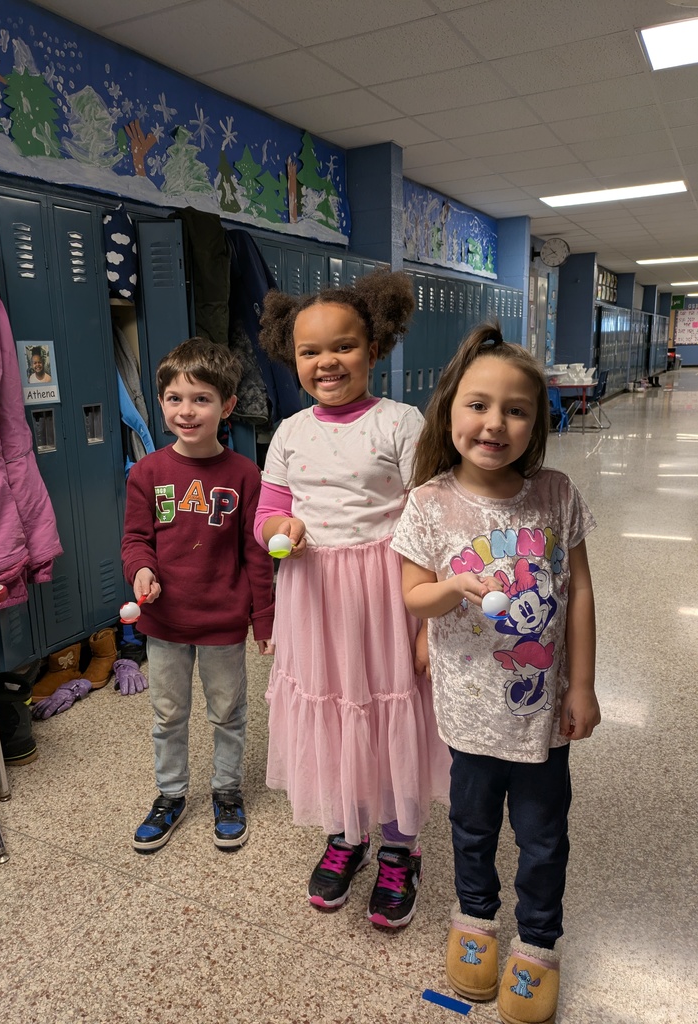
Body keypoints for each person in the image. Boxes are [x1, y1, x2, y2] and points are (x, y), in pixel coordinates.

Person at [391, 323, 600, 1024]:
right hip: (469, 708)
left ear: (534, 422)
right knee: (472, 828)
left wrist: (582, 684)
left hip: (542, 712)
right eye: (478, 405)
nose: (495, 423)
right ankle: (474, 921)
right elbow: (413, 596)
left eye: (515, 409)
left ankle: (537, 944)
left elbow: (579, 594)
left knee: (543, 837)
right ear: (449, 409)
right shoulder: (427, 502)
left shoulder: (555, 493)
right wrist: (456, 586)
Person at [255, 270, 449, 930]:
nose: (325, 362)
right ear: (292, 356)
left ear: (373, 347)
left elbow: (431, 519)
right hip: (312, 597)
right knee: (334, 712)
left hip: (384, 593)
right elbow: (269, 512)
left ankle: (399, 846)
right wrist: (279, 532)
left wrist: (427, 625)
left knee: (384, 706)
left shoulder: (401, 422)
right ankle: (346, 834)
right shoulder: (287, 432)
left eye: (342, 346)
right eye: (310, 352)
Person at [121, 338, 274, 853]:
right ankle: (170, 794)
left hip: (222, 623)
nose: (186, 411)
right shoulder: (146, 474)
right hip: (163, 622)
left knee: (228, 713)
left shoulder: (245, 474)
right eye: (174, 398)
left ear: (227, 406)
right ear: (161, 402)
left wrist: (264, 621)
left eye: (202, 398)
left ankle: (226, 792)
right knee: (168, 714)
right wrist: (141, 570)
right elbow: (136, 540)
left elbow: (257, 556)